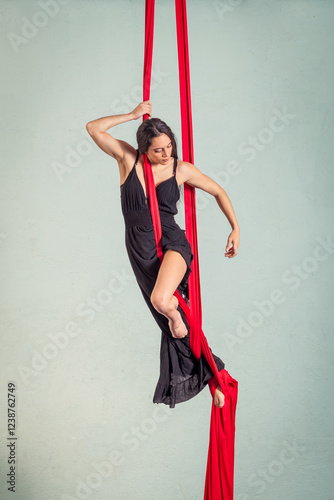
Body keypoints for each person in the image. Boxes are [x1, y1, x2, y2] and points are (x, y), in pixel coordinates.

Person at [86, 100, 240, 409]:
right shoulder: (128, 160)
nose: (166, 153)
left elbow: (218, 191)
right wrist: (131, 115)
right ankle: (216, 379)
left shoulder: (180, 169)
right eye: (158, 149)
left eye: (169, 146)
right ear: (144, 149)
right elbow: (93, 128)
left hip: (173, 242)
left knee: (164, 303)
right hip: (140, 247)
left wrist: (234, 227)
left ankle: (194, 347)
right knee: (173, 315)